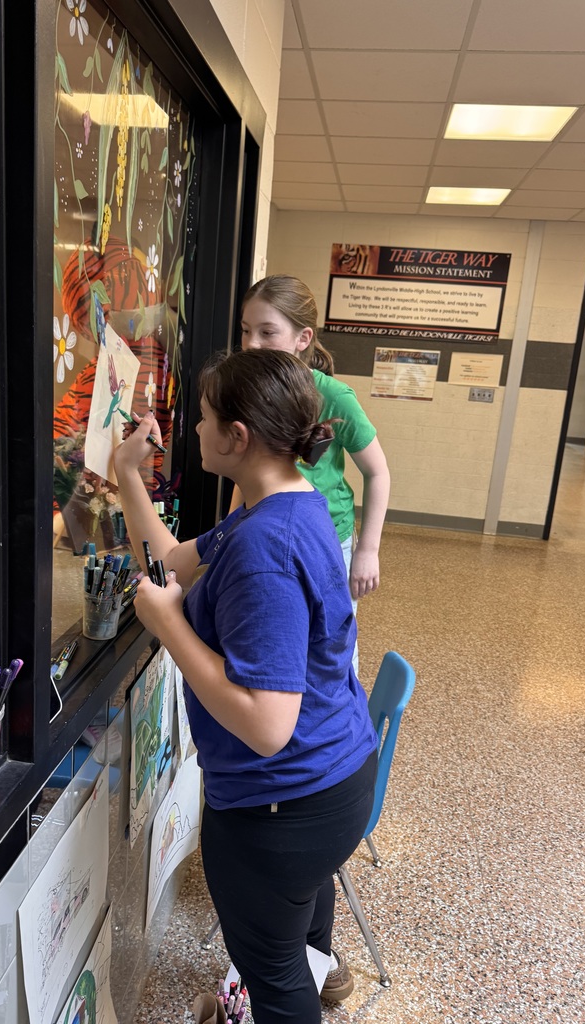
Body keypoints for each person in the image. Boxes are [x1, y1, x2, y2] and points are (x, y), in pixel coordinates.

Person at [115, 348, 379, 1024]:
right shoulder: (283, 504)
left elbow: (266, 724)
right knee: (296, 949)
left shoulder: (265, 545)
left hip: (282, 806)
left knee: (277, 980)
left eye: (203, 420)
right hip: (333, 779)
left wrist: (170, 627)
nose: (193, 431)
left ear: (237, 437)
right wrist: (125, 477)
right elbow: (170, 563)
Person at [235, 275, 390, 670]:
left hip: (326, 541)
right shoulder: (247, 395)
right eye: (246, 331)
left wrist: (367, 551)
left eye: (267, 332)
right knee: (274, 632)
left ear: (303, 338)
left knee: (330, 646)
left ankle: (338, 725)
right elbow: (246, 472)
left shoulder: (334, 398)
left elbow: (378, 473)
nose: (252, 344)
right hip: (268, 535)